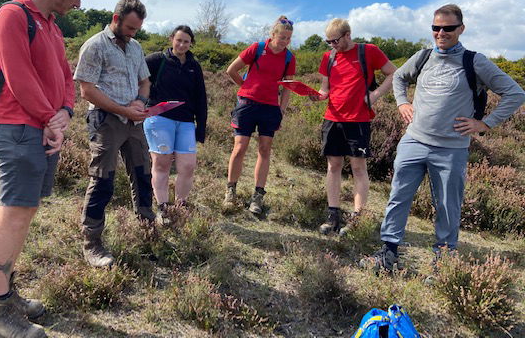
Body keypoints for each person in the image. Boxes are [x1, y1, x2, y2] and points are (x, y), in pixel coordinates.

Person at [0, 0, 92, 338]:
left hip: (42, 128)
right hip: (16, 129)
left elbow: (64, 73)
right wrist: (50, 118)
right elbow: (18, 77)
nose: (79, 3)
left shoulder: (51, 25)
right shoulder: (12, 16)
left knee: (24, 213)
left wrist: (64, 113)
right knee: (13, 213)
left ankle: (4, 295)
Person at [367, 4, 525, 272]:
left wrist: (485, 124)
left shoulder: (474, 61)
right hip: (414, 141)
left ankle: (443, 263)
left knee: (447, 207)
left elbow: (515, 93)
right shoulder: (423, 56)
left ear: (461, 29)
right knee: (398, 197)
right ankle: (389, 254)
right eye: (436, 27)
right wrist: (402, 103)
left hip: (451, 149)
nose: (441, 33)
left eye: (448, 28)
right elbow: (399, 79)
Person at [74, 0, 154, 268]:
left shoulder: (135, 47)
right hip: (105, 119)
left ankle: (146, 227)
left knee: (143, 173)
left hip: (134, 122)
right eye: (130, 28)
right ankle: (92, 242)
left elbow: (145, 82)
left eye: (137, 29)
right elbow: (87, 90)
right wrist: (123, 109)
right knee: (103, 179)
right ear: (116, 19)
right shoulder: (95, 45)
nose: (133, 33)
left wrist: (140, 103)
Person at [309, 19, 396, 236]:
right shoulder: (329, 57)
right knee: (333, 166)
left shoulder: (369, 51)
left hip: (358, 120)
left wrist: (375, 95)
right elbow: (325, 89)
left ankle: (358, 217)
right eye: (328, 41)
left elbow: (394, 73)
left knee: (358, 168)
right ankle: (333, 215)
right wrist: (316, 96)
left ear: (348, 35)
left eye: (335, 41)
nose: (332, 45)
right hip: (332, 118)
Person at [223, 16, 296, 215]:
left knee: (265, 149)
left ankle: (257, 197)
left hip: (270, 108)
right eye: (282, 37)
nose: (284, 42)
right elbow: (232, 69)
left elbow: (288, 88)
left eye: (288, 38)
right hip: (247, 105)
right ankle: (231, 191)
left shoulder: (289, 57)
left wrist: (281, 110)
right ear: (272, 35)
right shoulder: (257, 48)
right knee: (240, 147)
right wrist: (246, 87)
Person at [143, 25, 208, 224]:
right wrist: (139, 104)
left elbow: (200, 97)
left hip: (186, 122)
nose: (181, 44)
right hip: (159, 120)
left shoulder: (193, 66)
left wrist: (201, 127)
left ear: (191, 43)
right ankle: (163, 208)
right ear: (171, 39)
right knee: (162, 164)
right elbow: (138, 80)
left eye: (186, 41)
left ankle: (181, 206)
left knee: (187, 166)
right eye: (178, 40)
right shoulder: (156, 60)